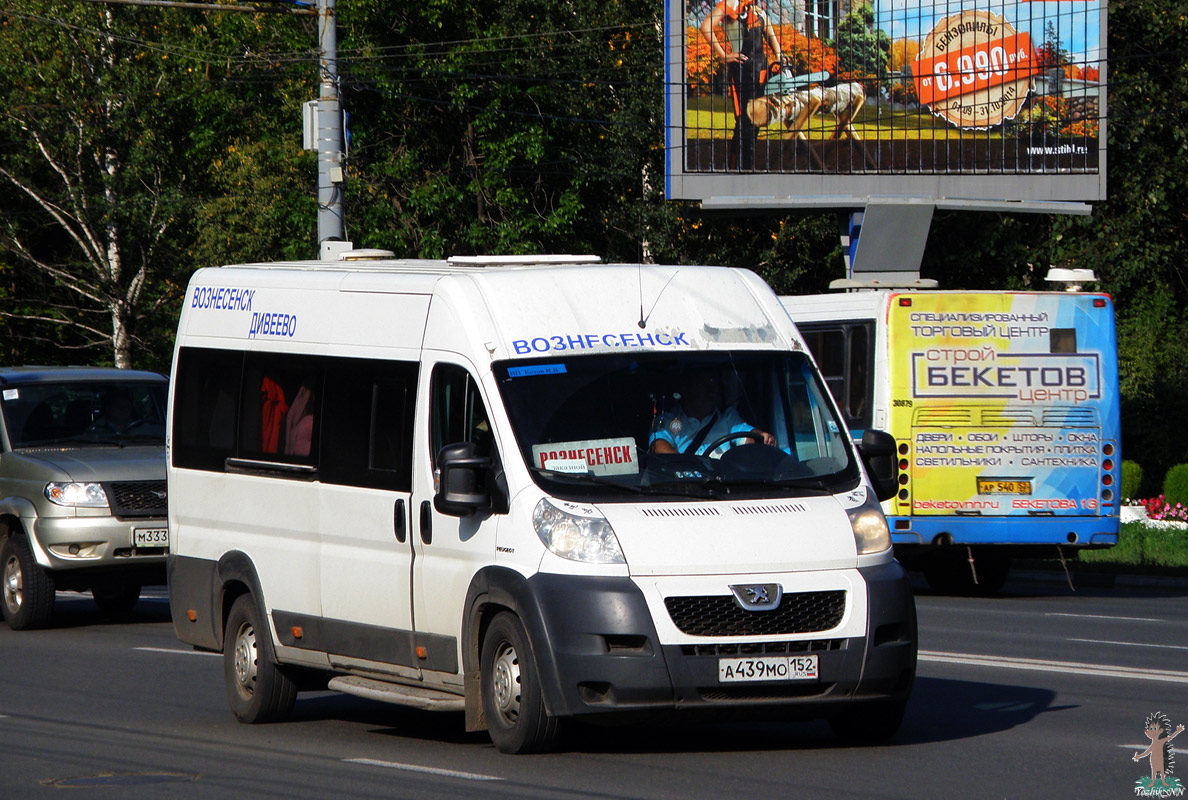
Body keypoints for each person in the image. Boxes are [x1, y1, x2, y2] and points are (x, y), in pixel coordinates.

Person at [699, 0, 782, 171]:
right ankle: (739, 169)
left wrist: (780, 58)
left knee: (756, 120)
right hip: (742, 71)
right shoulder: (729, 4)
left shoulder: (757, 10)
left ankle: (746, 169)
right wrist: (724, 55)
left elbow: (770, 34)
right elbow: (705, 26)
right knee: (744, 122)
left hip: (762, 70)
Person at [649, 369, 775, 457]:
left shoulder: (727, 417)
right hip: (684, 487)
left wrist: (761, 436)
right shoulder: (667, 420)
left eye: (713, 384)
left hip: (725, 487)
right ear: (686, 390)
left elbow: (748, 435)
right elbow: (658, 446)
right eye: (703, 384)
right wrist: (685, 468)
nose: (711, 390)